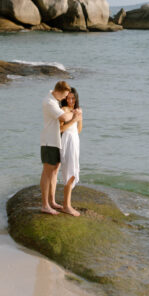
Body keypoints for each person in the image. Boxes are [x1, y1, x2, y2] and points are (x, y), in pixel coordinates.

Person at [40, 80, 80, 215]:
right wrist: (75, 116)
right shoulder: (50, 102)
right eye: (64, 96)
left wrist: (73, 115)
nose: (65, 99)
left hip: (57, 141)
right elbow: (64, 116)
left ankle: (51, 202)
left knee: (54, 171)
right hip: (49, 141)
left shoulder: (54, 99)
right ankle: (45, 205)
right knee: (47, 172)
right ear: (59, 91)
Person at [59, 87, 82, 216]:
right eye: (68, 98)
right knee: (70, 171)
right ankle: (66, 205)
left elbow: (79, 129)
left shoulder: (78, 110)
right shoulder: (63, 110)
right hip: (67, 141)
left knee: (74, 170)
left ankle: (67, 204)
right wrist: (73, 119)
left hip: (75, 141)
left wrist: (78, 117)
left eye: (73, 98)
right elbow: (60, 129)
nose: (70, 100)